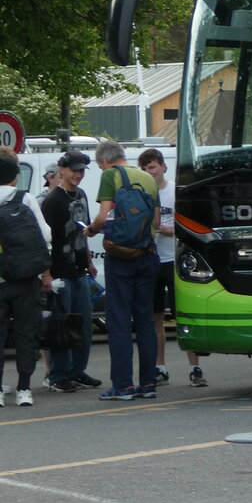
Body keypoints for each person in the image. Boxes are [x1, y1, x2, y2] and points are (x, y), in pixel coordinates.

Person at [85, 140, 160, 402]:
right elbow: (157, 221)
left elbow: (103, 217)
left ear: (104, 161)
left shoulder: (110, 175)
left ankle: (123, 386)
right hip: (147, 253)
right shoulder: (148, 178)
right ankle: (149, 383)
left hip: (121, 257)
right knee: (145, 320)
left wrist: (90, 230)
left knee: (118, 320)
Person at [137, 148, 206, 387]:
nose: (150, 172)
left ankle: (195, 367)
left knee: (182, 315)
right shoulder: (143, 193)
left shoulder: (174, 192)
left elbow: (187, 226)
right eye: (145, 169)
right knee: (156, 316)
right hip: (153, 261)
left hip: (174, 260)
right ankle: (160, 367)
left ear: (163, 167)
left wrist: (165, 229)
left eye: (153, 167)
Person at [39, 149, 101, 392]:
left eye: (81, 170)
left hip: (78, 269)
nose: (78, 174)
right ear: (62, 170)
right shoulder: (53, 201)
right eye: (74, 170)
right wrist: (47, 274)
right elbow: (44, 240)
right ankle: (58, 374)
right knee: (62, 325)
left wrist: (89, 261)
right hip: (59, 272)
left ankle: (77, 370)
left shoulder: (82, 195)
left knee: (83, 324)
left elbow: (82, 231)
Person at [0, 150, 53, 407]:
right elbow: (45, 235)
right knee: (25, 334)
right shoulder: (26, 198)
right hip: (25, 279)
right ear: (14, 177)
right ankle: (24, 389)